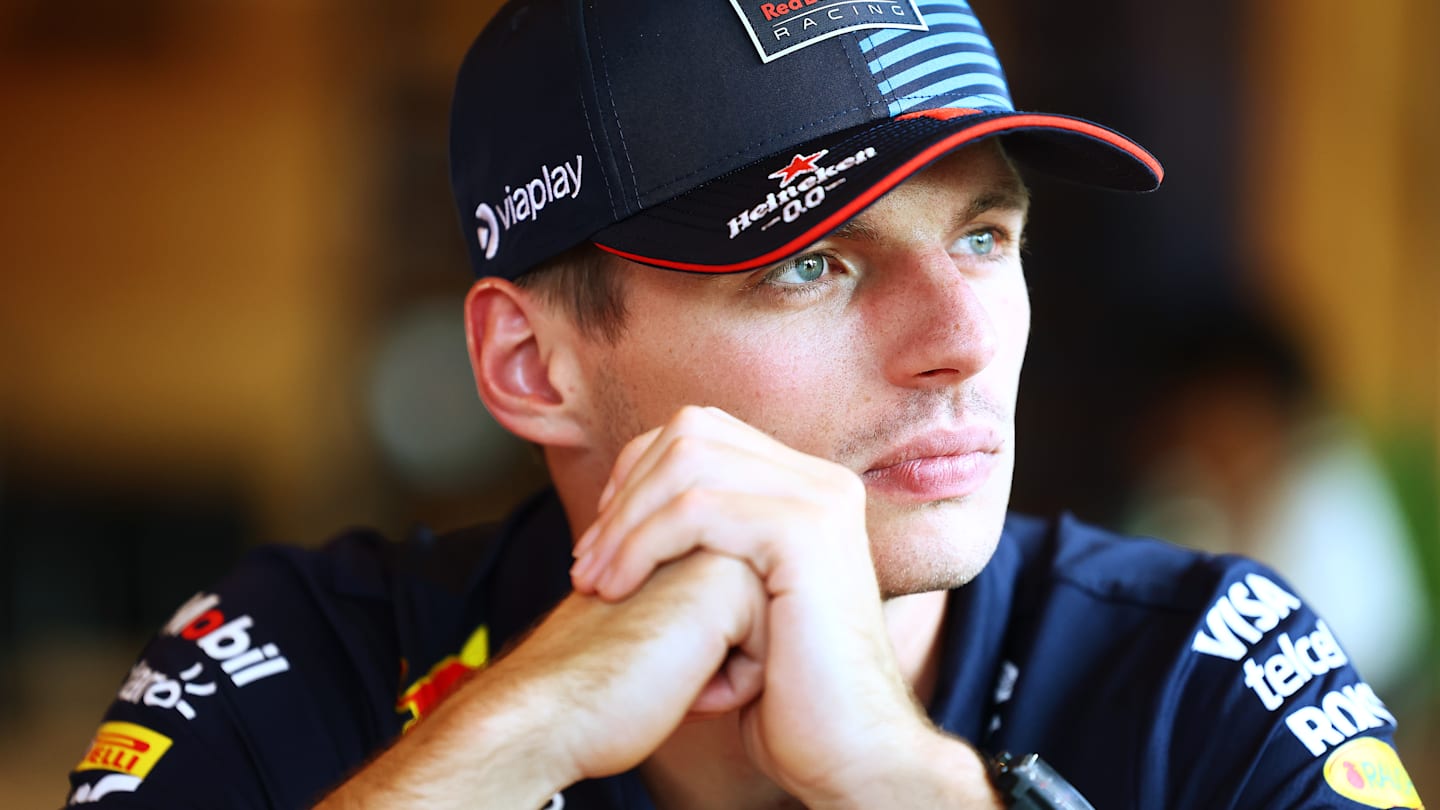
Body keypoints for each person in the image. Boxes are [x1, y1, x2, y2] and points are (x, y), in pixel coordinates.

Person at [66, 2, 1423, 808]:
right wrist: (518, 735)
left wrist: (893, 775)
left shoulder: (1208, 669)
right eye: (814, 263)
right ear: (536, 367)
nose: (963, 341)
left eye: (985, 237)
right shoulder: (299, 667)